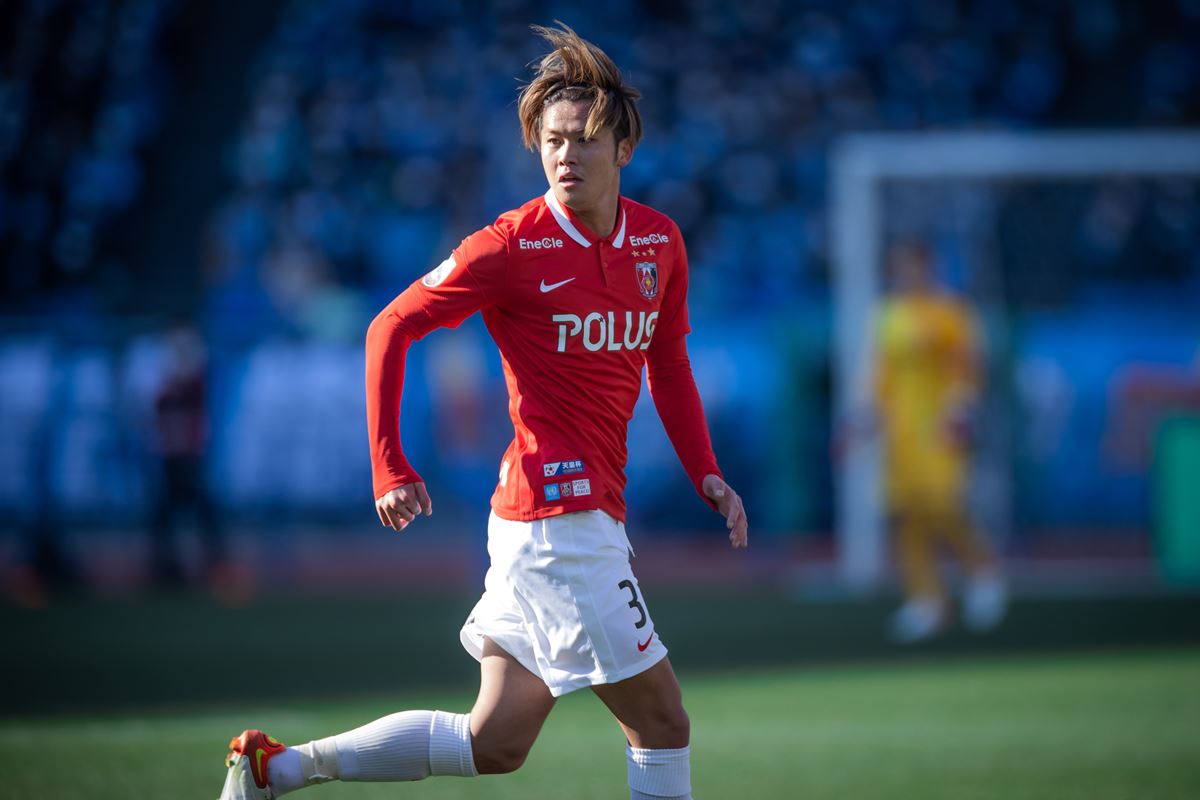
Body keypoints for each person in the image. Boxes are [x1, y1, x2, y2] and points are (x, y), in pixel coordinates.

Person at [218, 23, 747, 800]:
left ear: (624, 148)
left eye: (584, 140)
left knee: (495, 740)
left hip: (560, 519)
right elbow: (389, 326)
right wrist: (389, 464)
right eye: (552, 141)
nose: (565, 155)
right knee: (662, 723)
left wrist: (705, 470)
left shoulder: (659, 243)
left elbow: (666, 364)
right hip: (558, 520)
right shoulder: (511, 246)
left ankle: (274, 770)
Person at [873, 239, 1005, 643]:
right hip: (901, 434)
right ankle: (927, 599)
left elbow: (966, 368)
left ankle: (981, 571)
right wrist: (866, 418)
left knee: (945, 505)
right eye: (899, 267)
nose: (905, 274)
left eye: (912, 266)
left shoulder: (950, 312)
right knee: (906, 515)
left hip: (940, 429)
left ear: (928, 266)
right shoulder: (889, 315)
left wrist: (960, 410)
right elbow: (880, 375)